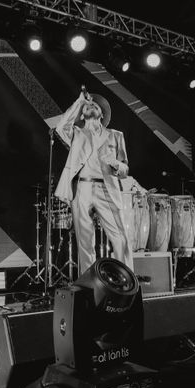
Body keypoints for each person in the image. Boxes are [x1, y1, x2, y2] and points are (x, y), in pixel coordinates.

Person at [54, 90, 131, 274]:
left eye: (95, 106)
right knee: (85, 241)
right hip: (82, 188)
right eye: (88, 106)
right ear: (82, 113)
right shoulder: (76, 133)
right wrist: (79, 101)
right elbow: (61, 126)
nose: (91, 106)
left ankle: (126, 278)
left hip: (107, 188)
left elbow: (125, 170)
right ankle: (89, 285)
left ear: (102, 114)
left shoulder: (115, 135)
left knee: (120, 237)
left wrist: (115, 164)